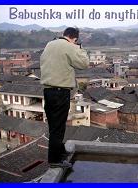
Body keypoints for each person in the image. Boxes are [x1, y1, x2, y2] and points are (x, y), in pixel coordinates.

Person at [40, 27, 89, 167]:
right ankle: (55, 160)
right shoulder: (70, 46)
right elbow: (84, 64)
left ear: (64, 34)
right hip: (60, 92)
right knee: (59, 126)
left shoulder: (50, 44)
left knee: (54, 125)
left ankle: (60, 150)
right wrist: (79, 48)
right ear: (75, 38)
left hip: (48, 91)